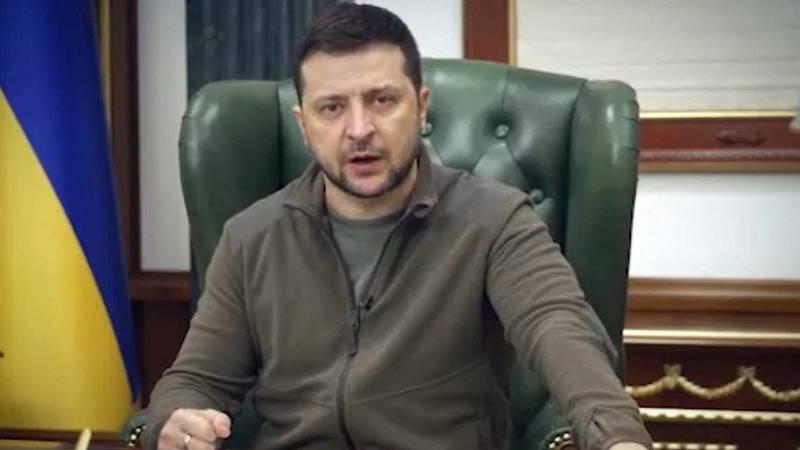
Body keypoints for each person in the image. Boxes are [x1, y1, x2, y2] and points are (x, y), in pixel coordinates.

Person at [144, 4, 652, 450]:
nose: (359, 129)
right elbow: (196, 379)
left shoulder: (495, 220)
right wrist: (176, 419)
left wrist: (617, 436)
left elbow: (557, 326)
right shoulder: (251, 236)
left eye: (382, 100)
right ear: (304, 125)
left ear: (421, 107)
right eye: (332, 108)